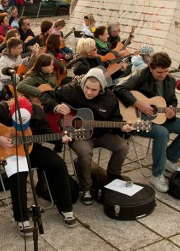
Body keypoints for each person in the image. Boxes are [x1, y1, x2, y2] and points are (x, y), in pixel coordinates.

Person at [0, 97, 76, 235]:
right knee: (18, 175)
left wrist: (60, 138)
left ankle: (65, 208)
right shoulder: (0, 109)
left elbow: (46, 132)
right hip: (8, 152)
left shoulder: (37, 111)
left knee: (58, 164)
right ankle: (22, 218)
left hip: (32, 148)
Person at [42, 68, 133, 203]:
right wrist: (56, 106)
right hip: (77, 134)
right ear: (83, 83)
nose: (89, 92)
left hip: (101, 133)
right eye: (87, 87)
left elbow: (116, 120)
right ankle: (86, 188)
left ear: (101, 88)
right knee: (85, 152)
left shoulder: (109, 98)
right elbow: (45, 95)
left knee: (122, 147)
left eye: (94, 90)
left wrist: (123, 127)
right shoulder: (71, 89)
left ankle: (112, 178)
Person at [113, 52, 180, 193]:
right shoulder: (141, 75)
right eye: (159, 72)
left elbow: (173, 100)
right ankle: (157, 175)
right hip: (138, 119)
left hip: (160, 117)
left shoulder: (170, 80)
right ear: (151, 68)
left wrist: (172, 109)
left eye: (166, 71)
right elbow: (118, 88)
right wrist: (138, 103)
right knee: (162, 133)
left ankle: (169, 158)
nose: (163, 75)